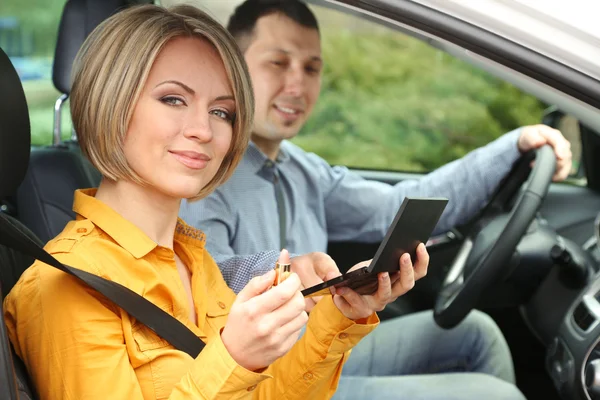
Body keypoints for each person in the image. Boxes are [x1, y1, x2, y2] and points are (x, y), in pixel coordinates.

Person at [2, 5, 425, 400]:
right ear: (111, 104)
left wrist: (340, 317)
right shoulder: (63, 288)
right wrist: (234, 356)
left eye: (222, 112)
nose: (204, 130)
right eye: (173, 99)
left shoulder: (194, 261)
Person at [179, 1, 573, 399]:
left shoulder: (303, 170)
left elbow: (394, 207)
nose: (297, 85)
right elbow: (203, 286)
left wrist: (513, 146)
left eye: (311, 68)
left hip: (324, 344)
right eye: (278, 63)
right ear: (233, 68)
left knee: (477, 334)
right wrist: (285, 277)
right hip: (264, 376)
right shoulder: (203, 166)